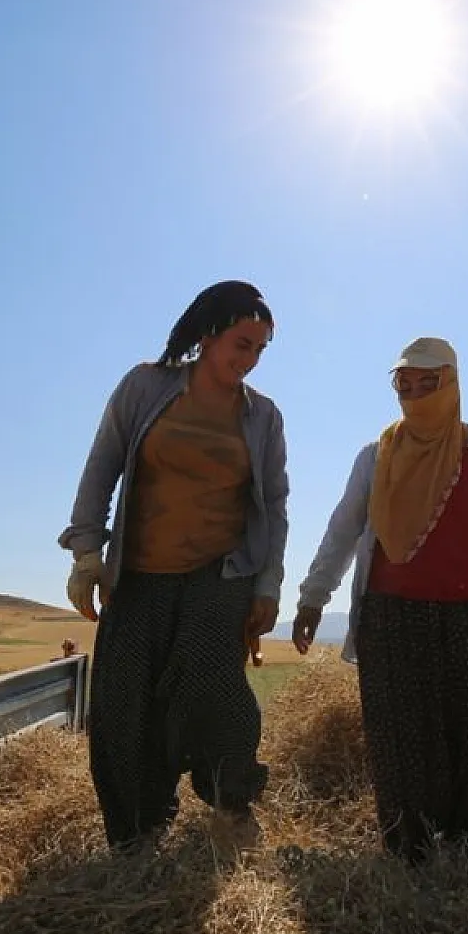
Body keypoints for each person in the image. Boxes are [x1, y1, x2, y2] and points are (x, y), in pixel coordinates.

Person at [292, 337, 468, 862]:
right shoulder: (377, 458)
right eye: (404, 386)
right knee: (406, 749)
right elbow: (342, 531)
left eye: (427, 384)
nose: (413, 396)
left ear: (453, 385)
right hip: (397, 625)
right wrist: (311, 598)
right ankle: (415, 861)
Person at [59, 281, 289, 850]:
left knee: (218, 696)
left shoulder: (262, 417)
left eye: (260, 349)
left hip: (220, 577)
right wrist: (88, 554)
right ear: (208, 336)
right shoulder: (146, 387)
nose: (249, 359)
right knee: (123, 709)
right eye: (241, 343)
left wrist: (268, 585)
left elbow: (275, 506)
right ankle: (139, 836)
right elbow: (102, 465)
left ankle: (233, 810)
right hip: (138, 579)